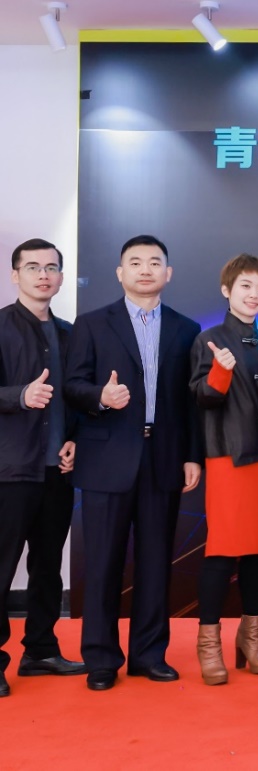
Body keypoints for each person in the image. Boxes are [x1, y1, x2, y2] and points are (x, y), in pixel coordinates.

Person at [64, 234, 203, 692]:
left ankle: (149, 655)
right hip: (107, 458)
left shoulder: (186, 329)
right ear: (120, 272)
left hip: (163, 458)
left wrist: (191, 455)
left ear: (168, 273)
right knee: (103, 563)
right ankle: (101, 658)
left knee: (155, 562)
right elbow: (73, 385)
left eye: (155, 262)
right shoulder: (91, 324)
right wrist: (100, 397)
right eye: (136, 262)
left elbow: (190, 402)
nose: (146, 269)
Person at [189, 254, 258, 686]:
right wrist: (220, 371)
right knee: (221, 552)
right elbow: (202, 398)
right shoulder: (209, 340)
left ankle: (251, 640)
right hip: (229, 459)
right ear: (226, 290)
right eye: (246, 286)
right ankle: (208, 646)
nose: (254, 295)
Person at [0, 238, 86, 697]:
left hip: (57, 473)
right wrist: (20, 395)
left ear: (61, 276)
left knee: (48, 567)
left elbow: (77, 398)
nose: (43, 275)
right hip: (11, 471)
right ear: (15, 275)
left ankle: (41, 650)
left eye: (51, 267)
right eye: (32, 267)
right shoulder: (1, 327)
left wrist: (74, 439)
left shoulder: (71, 334)